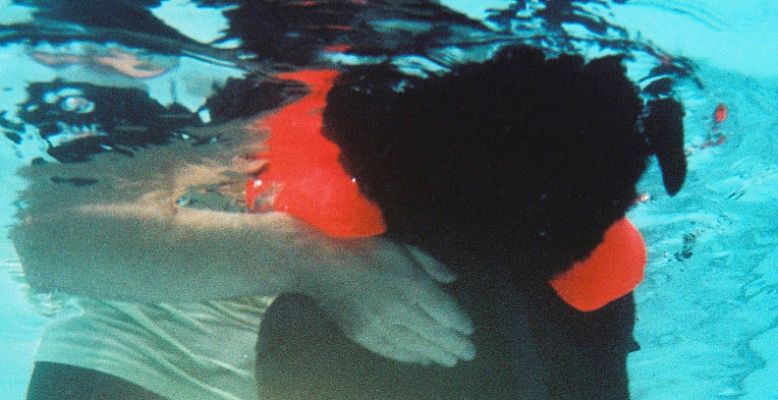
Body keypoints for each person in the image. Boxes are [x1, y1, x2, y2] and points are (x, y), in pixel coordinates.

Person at [10, 76, 474, 399]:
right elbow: (50, 245)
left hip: (306, 372)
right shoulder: (190, 81)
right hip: (133, 358)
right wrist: (313, 259)